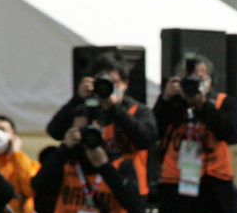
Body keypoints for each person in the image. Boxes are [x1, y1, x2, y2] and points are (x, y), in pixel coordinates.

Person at [154, 53, 237, 213]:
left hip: (213, 180)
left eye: (199, 79)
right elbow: (154, 131)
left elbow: (229, 133)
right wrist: (166, 98)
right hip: (176, 180)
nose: (193, 83)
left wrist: (203, 104)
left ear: (210, 81)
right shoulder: (173, 103)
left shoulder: (221, 102)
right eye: (189, 79)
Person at [46, 52, 157, 199]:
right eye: (103, 82)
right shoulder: (86, 108)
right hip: (89, 189)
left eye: (114, 82)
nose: (108, 87)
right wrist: (77, 98)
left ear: (125, 84)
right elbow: (55, 131)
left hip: (128, 191)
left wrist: (114, 108)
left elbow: (146, 140)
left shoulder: (138, 111)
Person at [31, 114, 147, 213]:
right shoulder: (65, 162)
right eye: (80, 132)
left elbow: (136, 206)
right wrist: (64, 149)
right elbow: (37, 185)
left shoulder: (119, 164)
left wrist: (105, 167)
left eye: (92, 132)